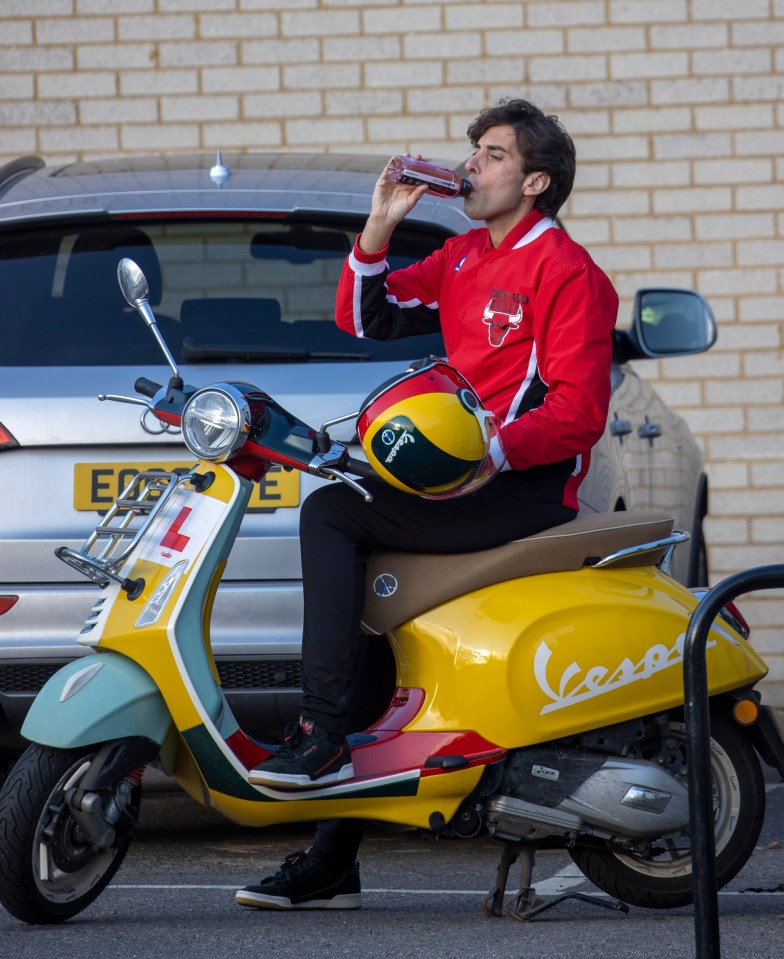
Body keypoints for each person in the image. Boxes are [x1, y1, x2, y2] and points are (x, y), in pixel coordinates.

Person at [235, 98, 619, 911]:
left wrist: (488, 455)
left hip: (520, 492)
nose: (470, 165)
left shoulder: (568, 271)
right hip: (450, 482)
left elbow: (578, 412)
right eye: (472, 151)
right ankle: (333, 852)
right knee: (364, 606)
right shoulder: (463, 254)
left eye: (491, 154)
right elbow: (363, 316)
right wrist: (377, 226)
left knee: (331, 516)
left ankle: (317, 731)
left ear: (535, 180)